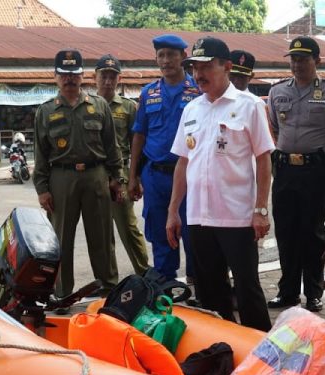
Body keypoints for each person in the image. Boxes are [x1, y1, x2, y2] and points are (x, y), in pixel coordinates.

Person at [166, 37, 273, 331]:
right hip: (199, 217)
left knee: (247, 289)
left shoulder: (250, 106)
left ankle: (261, 351)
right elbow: (183, 162)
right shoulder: (192, 110)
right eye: (194, 68)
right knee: (210, 292)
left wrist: (261, 209)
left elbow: (264, 160)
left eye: (206, 67)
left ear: (226, 67)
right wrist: (173, 211)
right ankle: (222, 355)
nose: (198, 75)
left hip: (237, 217)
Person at [266, 36, 325, 312]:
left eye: (303, 59)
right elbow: (273, 129)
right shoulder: (277, 92)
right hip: (284, 171)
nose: (297, 64)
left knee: (312, 233)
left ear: (317, 61)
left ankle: (313, 292)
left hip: (315, 171)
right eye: (293, 59)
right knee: (286, 233)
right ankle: (287, 292)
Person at [33, 48, 124, 305]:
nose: (69, 79)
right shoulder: (46, 111)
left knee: (102, 237)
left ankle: (108, 288)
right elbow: (41, 154)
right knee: (61, 239)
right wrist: (42, 188)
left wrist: (118, 178)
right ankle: (61, 293)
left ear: (82, 75)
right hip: (61, 179)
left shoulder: (99, 106)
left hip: (96, 175)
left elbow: (112, 146)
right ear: (55, 76)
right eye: (64, 74)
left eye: (74, 73)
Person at [128, 35, 201, 287]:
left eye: (171, 54)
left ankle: (198, 282)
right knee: (160, 231)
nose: (166, 60)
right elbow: (139, 135)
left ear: (184, 57)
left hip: (191, 175)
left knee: (194, 232)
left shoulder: (198, 91)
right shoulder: (149, 93)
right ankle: (165, 285)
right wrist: (133, 176)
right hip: (155, 175)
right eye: (161, 55)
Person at [95, 53, 150, 275]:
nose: (108, 81)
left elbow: (137, 145)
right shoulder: (86, 106)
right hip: (95, 175)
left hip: (122, 173)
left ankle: (145, 275)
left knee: (128, 228)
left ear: (119, 80)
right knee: (102, 232)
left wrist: (136, 178)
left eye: (113, 77)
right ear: (94, 77)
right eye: (104, 76)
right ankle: (109, 282)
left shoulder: (128, 108)